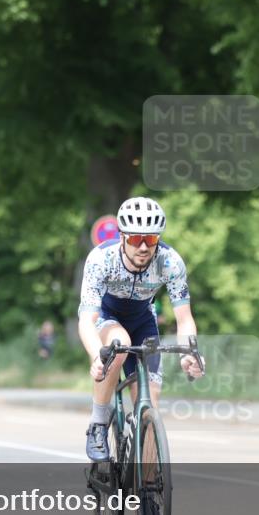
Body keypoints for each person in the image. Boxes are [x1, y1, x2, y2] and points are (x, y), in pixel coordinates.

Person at [78, 196, 203, 463]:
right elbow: (87, 320)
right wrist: (95, 356)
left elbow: (184, 319)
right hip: (108, 317)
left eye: (152, 239)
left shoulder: (170, 262)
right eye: (136, 239)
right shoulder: (101, 259)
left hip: (143, 320)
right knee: (118, 343)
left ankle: (147, 492)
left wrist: (189, 353)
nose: (144, 247)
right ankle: (98, 424)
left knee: (149, 407)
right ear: (122, 237)